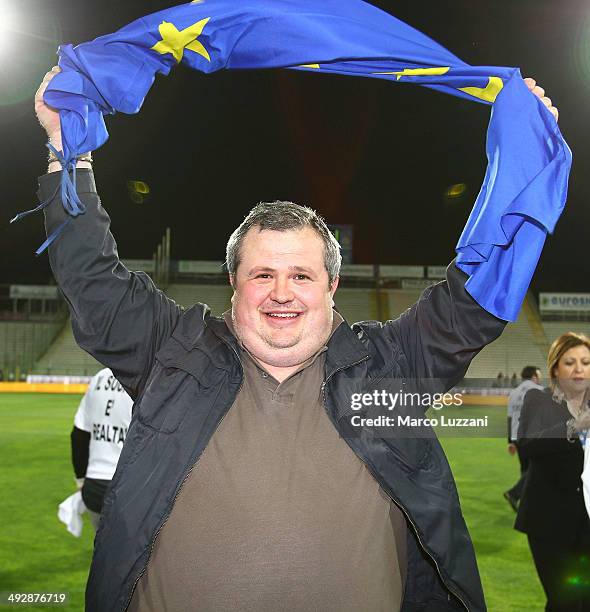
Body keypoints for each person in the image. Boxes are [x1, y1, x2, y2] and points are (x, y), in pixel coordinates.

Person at [35, 67, 559, 612]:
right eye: (262, 274)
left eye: (302, 276)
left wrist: (526, 151)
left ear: (332, 285)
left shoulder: (390, 367)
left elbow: (476, 298)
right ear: (234, 283)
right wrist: (64, 146)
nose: (281, 293)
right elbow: (94, 282)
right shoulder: (173, 352)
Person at [515, 333, 590, 610]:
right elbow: (527, 445)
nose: (579, 368)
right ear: (556, 368)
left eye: (585, 362)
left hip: (587, 523)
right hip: (549, 522)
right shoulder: (538, 400)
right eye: (570, 362)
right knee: (565, 603)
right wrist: (573, 427)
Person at [71, 367, 133, 529]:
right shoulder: (148, 377)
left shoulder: (99, 377)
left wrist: (81, 480)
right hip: (130, 486)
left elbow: (79, 435)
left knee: (103, 549)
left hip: (94, 486)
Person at [503, 365, 542, 511]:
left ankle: (527, 503)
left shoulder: (513, 393)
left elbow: (509, 418)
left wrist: (510, 442)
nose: (540, 378)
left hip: (517, 437)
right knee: (535, 469)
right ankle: (514, 493)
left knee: (525, 469)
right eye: (539, 375)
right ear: (533, 376)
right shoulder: (539, 391)